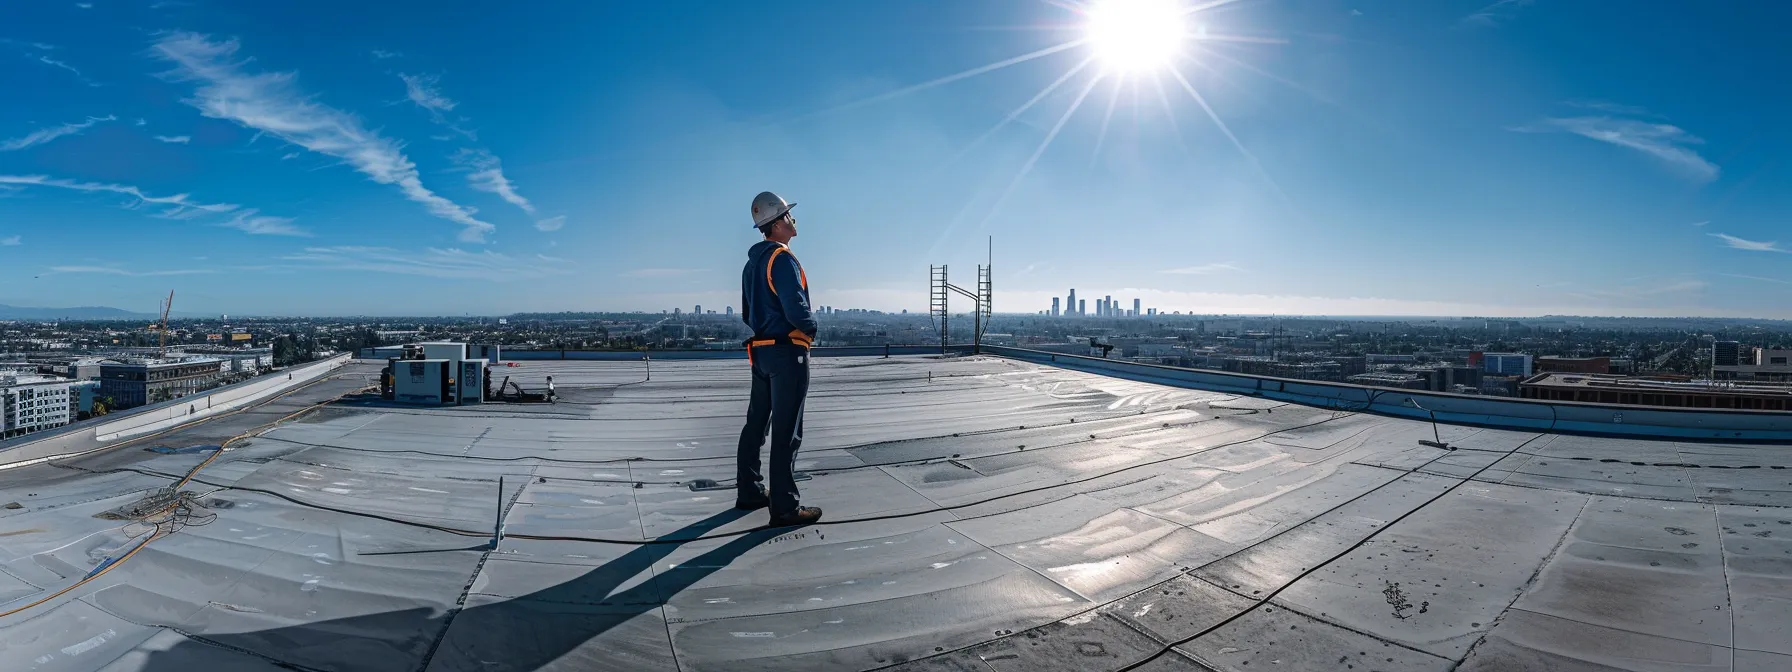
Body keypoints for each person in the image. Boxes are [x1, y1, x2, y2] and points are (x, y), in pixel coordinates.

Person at [735, 191, 822, 526]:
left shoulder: (751, 265)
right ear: (777, 223)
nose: (793, 221)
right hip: (787, 353)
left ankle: (750, 490)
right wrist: (810, 328)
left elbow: (747, 313)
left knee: (757, 423)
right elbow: (797, 309)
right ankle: (784, 506)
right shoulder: (782, 259)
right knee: (787, 431)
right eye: (788, 216)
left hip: (761, 351)